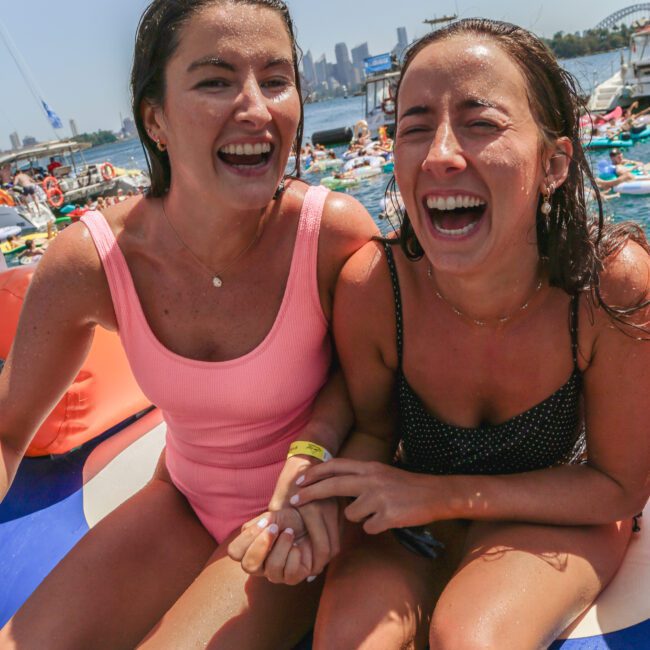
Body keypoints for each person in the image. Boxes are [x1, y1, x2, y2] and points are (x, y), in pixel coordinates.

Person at [0, 1, 375, 648]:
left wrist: (318, 475)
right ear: (155, 120)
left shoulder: (331, 234)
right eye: (215, 80)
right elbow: (7, 430)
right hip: (182, 498)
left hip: (297, 521)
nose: (256, 108)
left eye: (276, 78)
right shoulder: (93, 260)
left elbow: (382, 395)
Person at [283, 19, 649, 649]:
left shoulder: (608, 287)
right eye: (414, 127)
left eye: (481, 124)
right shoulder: (376, 287)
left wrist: (439, 495)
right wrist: (308, 505)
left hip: (561, 514)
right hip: (414, 517)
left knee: (472, 640)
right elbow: (372, 430)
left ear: (554, 162)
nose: (440, 154)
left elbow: (618, 485)